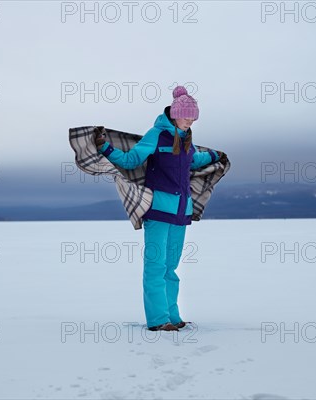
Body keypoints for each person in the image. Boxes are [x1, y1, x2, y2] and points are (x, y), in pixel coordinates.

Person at [95, 86, 227, 331]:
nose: (191, 120)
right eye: (187, 115)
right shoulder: (156, 134)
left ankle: (173, 317)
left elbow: (193, 161)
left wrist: (213, 156)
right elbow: (130, 160)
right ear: (175, 113)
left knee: (171, 267)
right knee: (155, 266)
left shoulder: (187, 139)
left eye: (194, 116)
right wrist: (105, 148)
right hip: (158, 209)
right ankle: (158, 320)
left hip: (181, 211)